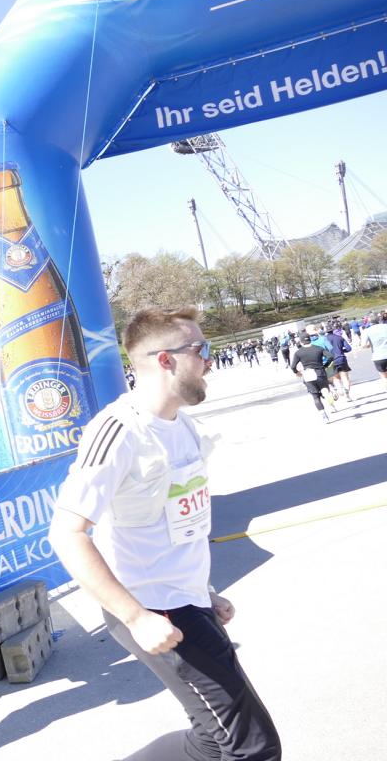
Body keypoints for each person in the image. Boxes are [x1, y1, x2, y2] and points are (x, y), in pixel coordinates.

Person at [48, 306, 281, 761]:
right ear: (165, 359)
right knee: (252, 748)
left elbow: (177, 526)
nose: (209, 358)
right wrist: (136, 617)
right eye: (200, 348)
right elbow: (66, 533)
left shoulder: (183, 426)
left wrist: (204, 591)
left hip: (189, 602)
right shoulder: (118, 431)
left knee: (213, 743)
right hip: (152, 608)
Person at [291, 330, 338, 422]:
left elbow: (293, 366)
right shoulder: (318, 348)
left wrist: (297, 372)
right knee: (325, 390)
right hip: (320, 372)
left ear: (301, 342)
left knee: (315, 396)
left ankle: (324, 416)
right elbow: (331, 356)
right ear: (310, 339)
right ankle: (329, 398)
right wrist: (325, 365)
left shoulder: (298, 353)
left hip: (308, 374)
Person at [364, 312, 387, 393]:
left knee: (384, 376)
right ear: (379, 319)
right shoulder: (385, 326)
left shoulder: (367, 331)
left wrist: (370, 345)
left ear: (369, 321)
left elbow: (363, 345)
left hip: (378, 356)